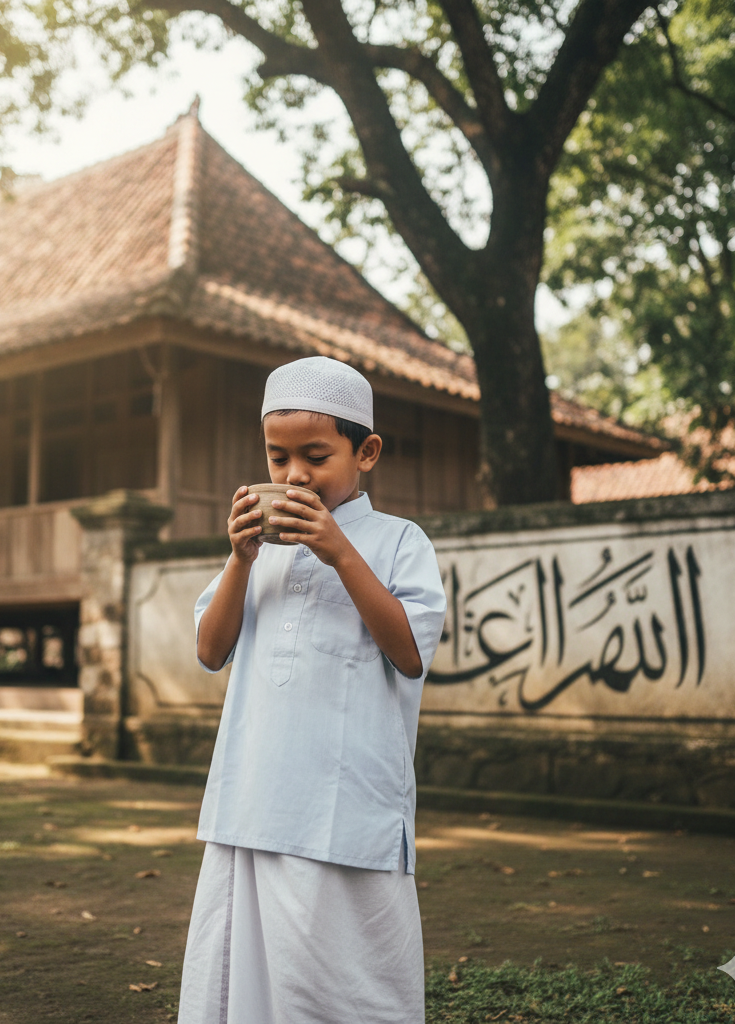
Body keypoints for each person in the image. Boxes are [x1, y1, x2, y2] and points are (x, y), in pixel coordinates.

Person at [178, 356, 447, 1024]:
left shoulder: (397, 543)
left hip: (347, 810)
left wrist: (339, 553)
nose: (294, 476)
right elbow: (211, 650)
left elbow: (409, 654)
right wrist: (241, 559)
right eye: (277, 458)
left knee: (348, 989)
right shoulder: (259, 552)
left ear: (367, 453)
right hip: (252, 803)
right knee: (245, 987)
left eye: (316, 457)